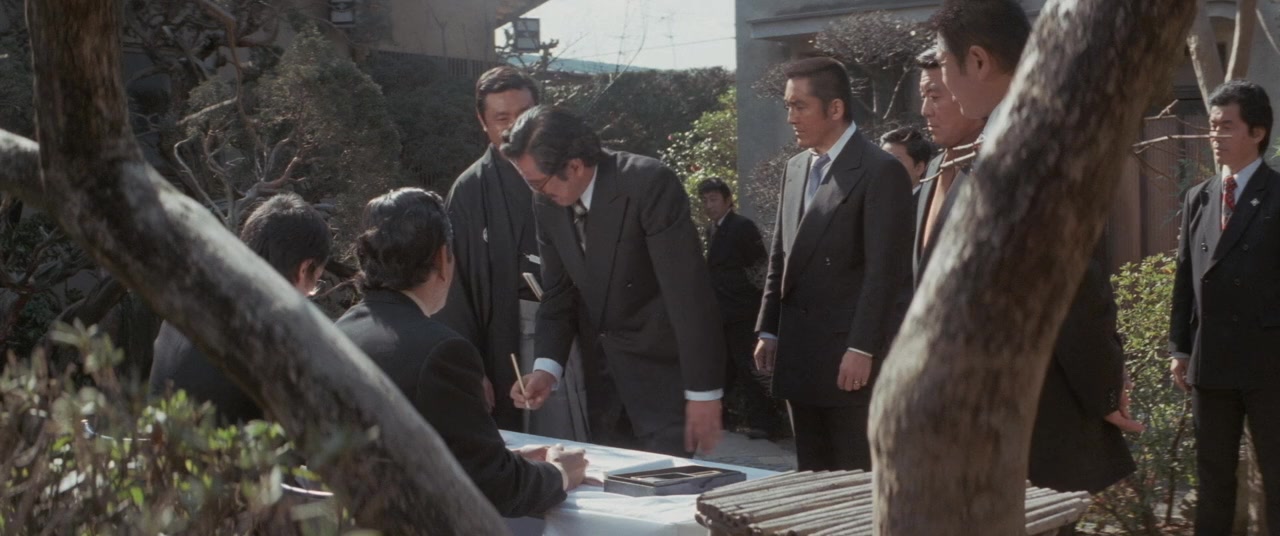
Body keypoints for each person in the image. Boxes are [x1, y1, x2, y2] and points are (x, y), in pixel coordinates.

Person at [932, 0, 1140, 510]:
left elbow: (1074, 291)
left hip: (1032, 429)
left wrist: (1103, 389)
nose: (942, 82)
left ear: (978, 60)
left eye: (943, 63)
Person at [335, 187, 585, 518]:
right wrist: (559, 473)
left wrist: (508, 460)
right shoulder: (442, 352)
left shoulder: (338, 332)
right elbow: (494, 486)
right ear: (443, 258)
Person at [501, 105, 726, 457]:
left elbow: (688, 295)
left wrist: (704, 393)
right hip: (604, 385)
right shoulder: (546, 203)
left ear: (575, 166)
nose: (536, 193)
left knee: (668, 487)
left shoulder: (648, 183)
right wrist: (545, 370)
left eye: (537, 183)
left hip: (663, 380)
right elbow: (558, 292)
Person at [753, 56, 915, 471]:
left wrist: (862, 347)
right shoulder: (795, 168)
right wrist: (769, 328)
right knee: (810, 478)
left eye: (799, 106)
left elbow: (885, 273)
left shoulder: (880, 170)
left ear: (836, 108)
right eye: (787, 106)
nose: (790, 117)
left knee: (853, 483)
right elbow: (781, 256)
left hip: (849, 361)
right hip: (798, 353)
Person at [436, 65, 588, 440]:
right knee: (537, 437)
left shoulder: (575, 172)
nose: (514, 127)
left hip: (583, 320)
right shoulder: (470, 189)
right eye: (502, 118)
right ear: (482, 121)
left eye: (524, 114)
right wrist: (470, 367)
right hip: (512, 328)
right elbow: (455, 287)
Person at [1170, 79, 1280, 535]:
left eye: (1226, 126)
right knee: (1213, 478)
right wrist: (1180, 348)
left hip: (1269, 362)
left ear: (1258, 132)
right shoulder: (1200, 196)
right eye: (1212, 125)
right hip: (1211, 359)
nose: (1214, 135)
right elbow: (1185, 279)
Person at [149, 193, 330, 424]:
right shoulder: (281, 335)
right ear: (304, 269)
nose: (311, 293)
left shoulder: (185, 308)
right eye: (316, 281)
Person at [696, 178, 779, 440]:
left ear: (728, 200)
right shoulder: (712, 229)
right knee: (725, 367)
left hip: (743, 310)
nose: (709, 205)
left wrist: (751, 302)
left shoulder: (742, 227)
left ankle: (767, 423)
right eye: (705, 200)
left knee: (749, 366)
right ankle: (727, 418)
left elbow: (760, 269)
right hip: (722, 311)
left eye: (714, 199)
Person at [912, 47, 986, 282]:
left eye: (934, 97)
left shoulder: (994, 165)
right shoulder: (933, 168)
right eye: (923, 97)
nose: (925, 111)